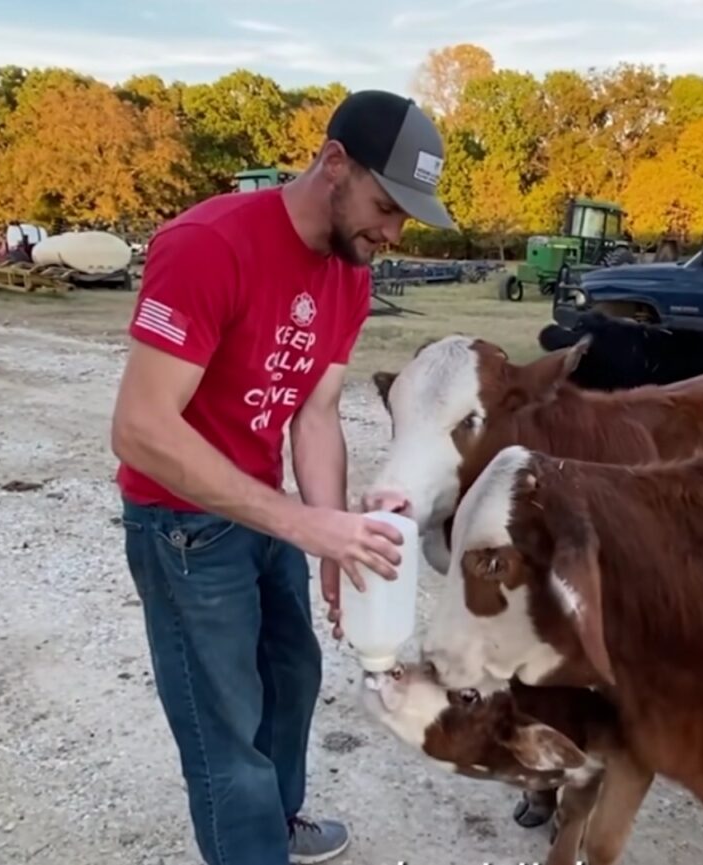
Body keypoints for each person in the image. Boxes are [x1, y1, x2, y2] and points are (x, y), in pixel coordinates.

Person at [110, 89, 455, 865]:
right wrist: (306, 524)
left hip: (259, 514)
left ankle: (277, 822)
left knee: (292, 676)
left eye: (405, 217)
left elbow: (317, 412)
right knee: (224, 722)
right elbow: (139, 426)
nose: (393, 233)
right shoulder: (208, 244)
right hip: (181, 525)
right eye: (385, 205)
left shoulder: (350, 270)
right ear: (334, 162)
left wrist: (331, 541)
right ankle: (250, 845)